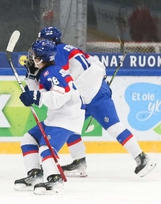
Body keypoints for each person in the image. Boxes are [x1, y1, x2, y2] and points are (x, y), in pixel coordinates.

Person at [38, 26, 156, 178]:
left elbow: (64, 74)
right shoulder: (69, 48)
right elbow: (94, 62)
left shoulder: (57, 51)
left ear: (49, 40)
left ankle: (142, 157)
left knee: (113, 127)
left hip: (94, 94)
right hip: (86, 94)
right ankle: (79, 162)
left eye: (42, 39)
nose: (40, 43)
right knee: (70, 125)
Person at [14, 38, 85, 194]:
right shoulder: (46, 72)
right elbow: (40, 91)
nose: (31, 57)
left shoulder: (51, 72)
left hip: (67, 117)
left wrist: (35, 97)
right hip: (57, 116)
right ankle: (35, 174)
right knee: (28, 139)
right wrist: (31, 77)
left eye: (34, 54)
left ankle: (55, 179)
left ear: (41, 57)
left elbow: (60, 97)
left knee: (46, 148)